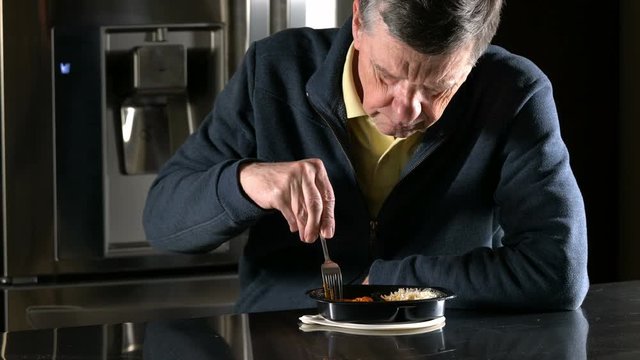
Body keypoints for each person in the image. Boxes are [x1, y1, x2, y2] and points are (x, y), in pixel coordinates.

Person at [143, 0, 589, 313]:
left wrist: (398, 284)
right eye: (387, 75)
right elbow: (163, 223)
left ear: (473, 61)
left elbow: (560, 272)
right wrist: (246, 182)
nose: (406, 111)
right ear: (358, 21)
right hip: (281, 338)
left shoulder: (514, 93)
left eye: (437, 89)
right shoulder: (275, 67)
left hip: (440, 343)